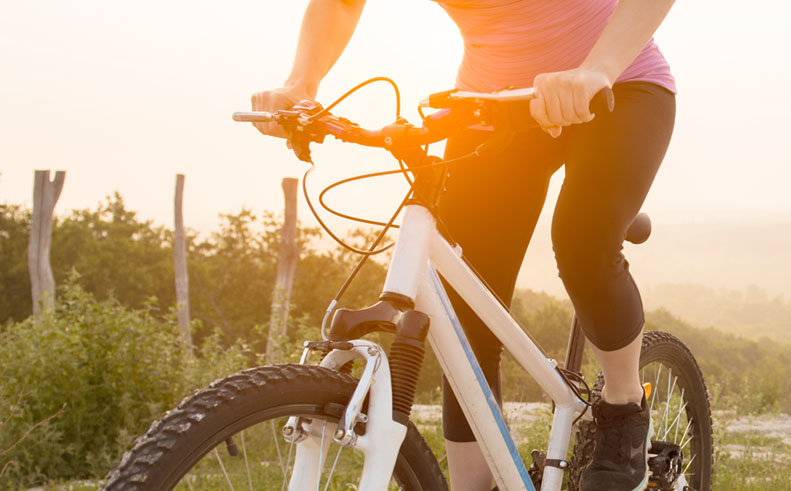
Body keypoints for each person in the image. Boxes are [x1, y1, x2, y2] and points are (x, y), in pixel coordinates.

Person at [251, 0, 677, 489]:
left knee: (582, 240)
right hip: (491, 105)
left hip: (617, 85)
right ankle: (477, 482)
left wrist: (596, 69)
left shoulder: (612, 75)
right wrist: (301, 85)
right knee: (464, 305)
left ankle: (622, 405)